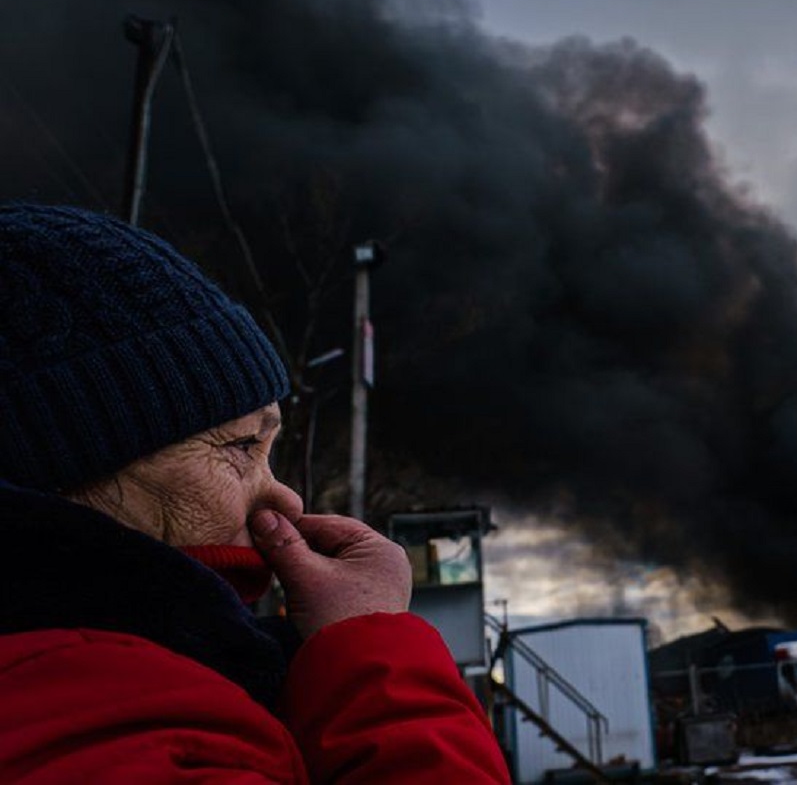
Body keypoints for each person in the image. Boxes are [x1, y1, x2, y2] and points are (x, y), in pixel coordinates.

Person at [0, 204, 511, 784]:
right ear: (66, 454)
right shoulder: (111, 731)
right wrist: (371, 647)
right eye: (241, 447)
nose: (286, 499)